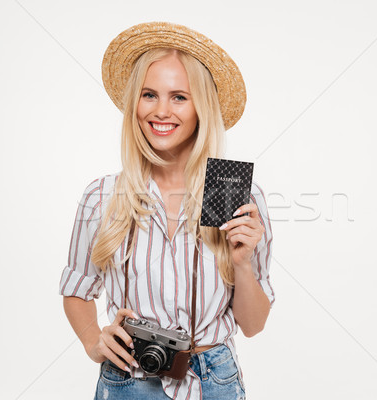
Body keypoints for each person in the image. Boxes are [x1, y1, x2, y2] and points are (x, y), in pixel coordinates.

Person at [58, 22, 275, 400]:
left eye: (179, 97)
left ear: (200, 108)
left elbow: (253, 326)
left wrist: (242, 263)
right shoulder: (103, 195)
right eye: (149, 95)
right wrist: (94, 341)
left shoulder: (236, 195)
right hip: (130, 379)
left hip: (215, 382)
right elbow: (77, 288)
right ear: (134, 104)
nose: (161, 111)